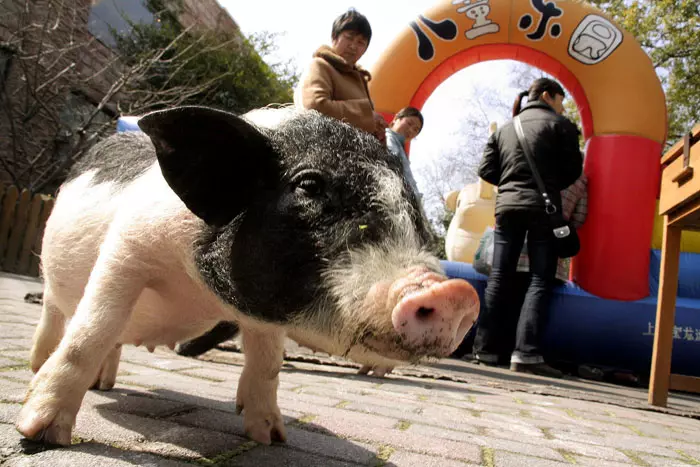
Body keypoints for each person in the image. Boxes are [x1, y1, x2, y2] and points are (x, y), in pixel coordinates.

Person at [473, 78, 583, 378]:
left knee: (499, 276)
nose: (563, 106)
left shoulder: (506, 129)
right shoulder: (561, 126)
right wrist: (546, 185)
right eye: (561, 99)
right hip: (543, 210)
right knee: (539, 279)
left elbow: (485, 170)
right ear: (547, 96)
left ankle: (484, 349)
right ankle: (526, 353)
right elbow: (574, 170)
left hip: (507, 208)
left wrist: (511, 186)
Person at [295, 8, 387, 143]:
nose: (353, 46)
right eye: (349, 37)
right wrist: (367, 116)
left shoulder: (360, 79)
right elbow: (314, 107)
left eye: (361, 43)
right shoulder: (320, 65)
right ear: (334, 37)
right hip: (320, 152)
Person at [385, 106, 423, 199]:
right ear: (396, 119)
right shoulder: (386, 137)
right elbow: (391, 163)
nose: (411, 130)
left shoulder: (401, 149)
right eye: (409, 123)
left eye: (415, 130)